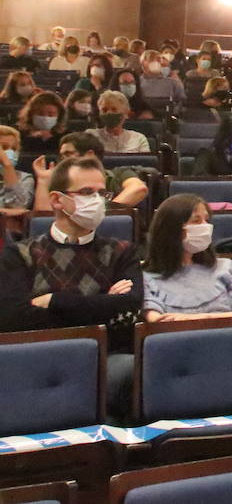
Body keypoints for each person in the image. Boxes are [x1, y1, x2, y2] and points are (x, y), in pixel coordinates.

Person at [0, 155, 141, 412]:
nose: (97, 201)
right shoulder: (19, 254)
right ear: (56, 199)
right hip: (34, 358)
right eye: (87, 192)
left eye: (102, 193)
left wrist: (55, 300)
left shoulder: (123, 251)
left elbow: (128, 311)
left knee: (130, 371)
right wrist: (102, 305)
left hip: (105, 358)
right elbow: (12, 318)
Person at [142, 194, 232, 321]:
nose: (205, 226)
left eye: (206, 220)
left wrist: (200, 318)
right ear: (172, 229)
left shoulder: (226, 267)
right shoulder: (146, 277)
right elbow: (156, 321)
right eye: (196, 221)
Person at [0, 125, 36, 216]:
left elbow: (17, 208)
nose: (10, 153)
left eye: (14, 149)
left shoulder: (25, 178)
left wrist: (7, 166)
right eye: (3, 148)